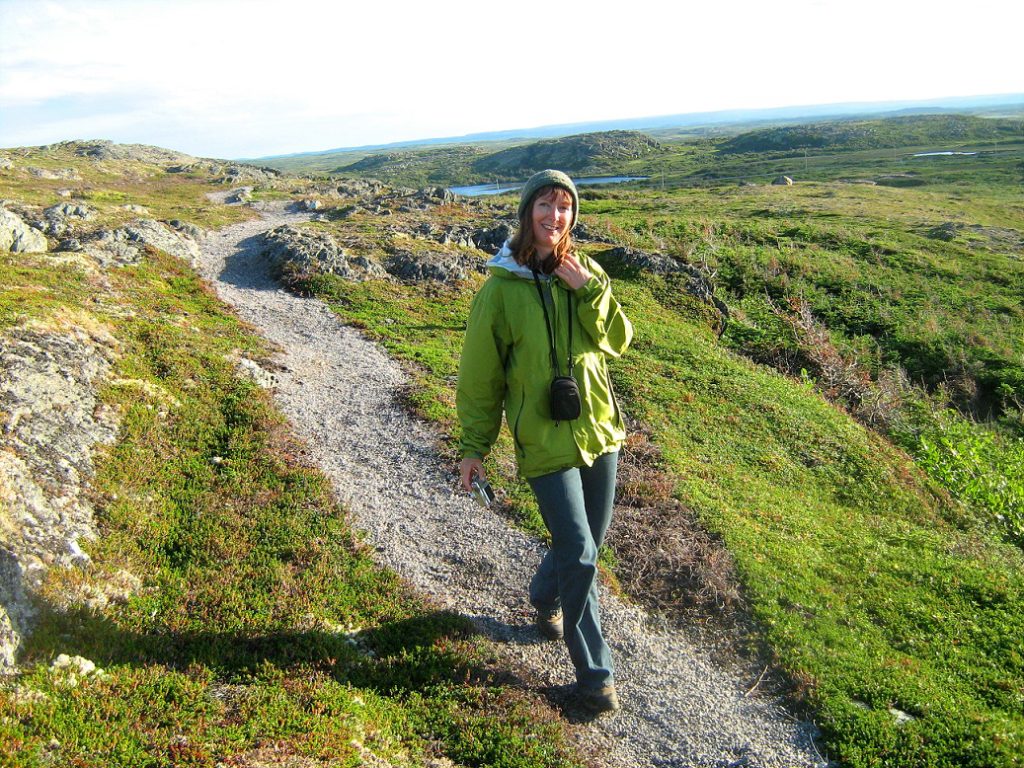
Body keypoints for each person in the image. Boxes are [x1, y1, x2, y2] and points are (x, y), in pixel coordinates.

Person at [456, 169, 633, 714]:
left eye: (564, 208)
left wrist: (591, 291)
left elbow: (619, 340)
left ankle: (542, 596)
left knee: (584, 547)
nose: (555, 217)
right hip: (543, 437)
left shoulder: (586, 273)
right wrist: (474, 446)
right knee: (579, 553)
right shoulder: (500, 289)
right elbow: (480, 376)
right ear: (527, 211)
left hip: (599, 430)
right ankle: (595, 677)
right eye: (545, 205)